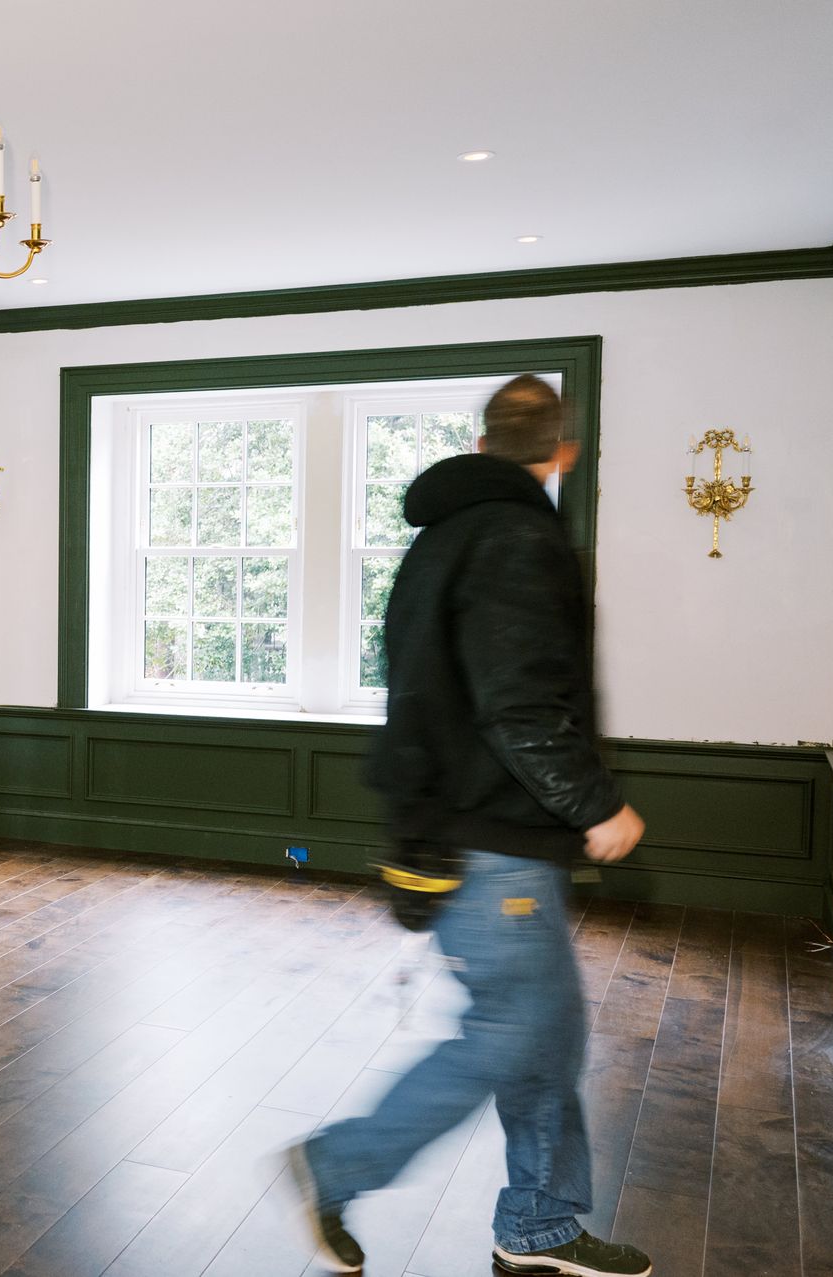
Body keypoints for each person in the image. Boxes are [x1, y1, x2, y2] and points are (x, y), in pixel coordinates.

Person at [286, 375, 651, 1276]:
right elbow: (520, 704)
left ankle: (540, 1225)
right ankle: (341, 1160)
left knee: (548, 1035)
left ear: (485, 445)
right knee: (510, 1032)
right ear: (560, 453)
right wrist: (597, 803)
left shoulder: (440, 538)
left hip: (453, 828)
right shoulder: (519, 537)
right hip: (500, 842)